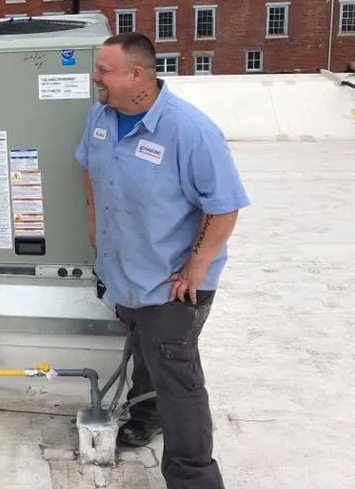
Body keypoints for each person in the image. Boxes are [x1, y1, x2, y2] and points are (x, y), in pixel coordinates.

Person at [74, 32, 249, 489]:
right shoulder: (100, 116)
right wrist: (93, 224)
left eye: (104, 70)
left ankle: (194, 478)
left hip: (174, 283)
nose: (94, 77)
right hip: (125, 273)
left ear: (137, 75)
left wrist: (196, 266)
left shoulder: (189, 131)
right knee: (145, 350)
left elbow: (223, 206)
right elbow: (89, 167)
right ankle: (147, 414)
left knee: (178, 378)